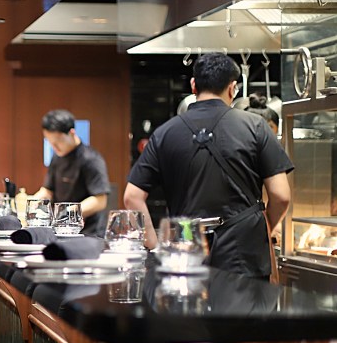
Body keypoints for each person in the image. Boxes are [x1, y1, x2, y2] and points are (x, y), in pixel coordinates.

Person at [124, 52, 293, 279]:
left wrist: (155, 248)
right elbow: (281, 196)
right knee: (243, 302)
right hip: (243, 256)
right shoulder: (256, 126)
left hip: (186, 250)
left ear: (193, 86)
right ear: (232, 88)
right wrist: (259, 231)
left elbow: (132, 197)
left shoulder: (164, 133)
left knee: (190, 299)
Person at [31, 109, 110, 237]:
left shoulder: (90, 159)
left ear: (71, 133)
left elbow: (100, 200)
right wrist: (31, 203)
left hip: (89, 232)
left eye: (58, 142)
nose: (54, 147)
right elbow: (47, 191)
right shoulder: (57, 157)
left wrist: (66, 213)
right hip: (63, 229)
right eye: (50, 142)